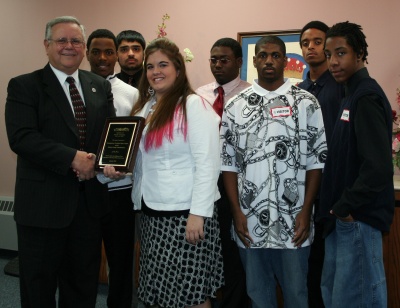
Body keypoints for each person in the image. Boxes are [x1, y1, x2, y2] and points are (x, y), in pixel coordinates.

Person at [105, 37, 224, 308]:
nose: (155, 71)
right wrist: (117, 168)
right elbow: (143, 160)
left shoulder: (193, 105)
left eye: (163, 65)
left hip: (186, 216)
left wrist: (198, 215)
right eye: (150, 67)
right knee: (162, 290)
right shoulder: (146, 108)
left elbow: (208, 163)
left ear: (178, 70)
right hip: (151, 213)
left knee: (191, 293)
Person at [4, 16, 115, 307]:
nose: (69, 46)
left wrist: (111, 161)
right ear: (47, 45)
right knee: (38, 287)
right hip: (42, 207)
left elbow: (109, 134)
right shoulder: (24, 86)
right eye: (62, 40)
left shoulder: (98, 86)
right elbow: (22, 138)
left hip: (88, 207)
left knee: (82, 285)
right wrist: (71, 158)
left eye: (76, 41)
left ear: (83, 48)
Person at [220, 35, 327, 308]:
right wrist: (236, 212)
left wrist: (306, 210)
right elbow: (228, 164)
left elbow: (317, 161)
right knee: (258, 294)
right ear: (254, 60)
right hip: (249, 220)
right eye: (263, 55)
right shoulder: (235, 105)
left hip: (294, 222)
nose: (269, 60)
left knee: (296, 294)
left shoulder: (306, 102)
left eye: (276, 55)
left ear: (285, 60)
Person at [319, 21, 394, 308]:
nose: (333, 62)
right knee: (337, 297)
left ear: (360, 54)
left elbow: (378, 168)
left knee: (356, 299)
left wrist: (345, 207)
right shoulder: (350, 94)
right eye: (329, 55)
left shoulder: (366, 96)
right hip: (344, 219)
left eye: (341, 53)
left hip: (358, 219)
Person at [86, 28, 139, 308]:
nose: (103, 58)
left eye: (109, 51)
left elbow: (138, 137)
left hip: (121, 190)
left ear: (117, 55)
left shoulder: (132, 93)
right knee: (86, 257)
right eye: (96, 51)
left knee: (121, 259)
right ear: (87, 54)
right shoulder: (77, 87)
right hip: (87, 186)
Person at [196, 37, 250, 308]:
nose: (217, 65)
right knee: (207, 245)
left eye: (224, 60)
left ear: (239, 62)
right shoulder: (199, 95)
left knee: (234, 249)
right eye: (213, 59)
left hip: (238, 181)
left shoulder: (251, 95)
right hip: (205, 179)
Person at [297, 20, 344, 308]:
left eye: (317, 41)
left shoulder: (339, 86)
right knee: (307, 265)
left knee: (329, 267)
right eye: (305, 42)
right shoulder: (299, 89)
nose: (311, 47)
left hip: (332, 188)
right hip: (301, 189)